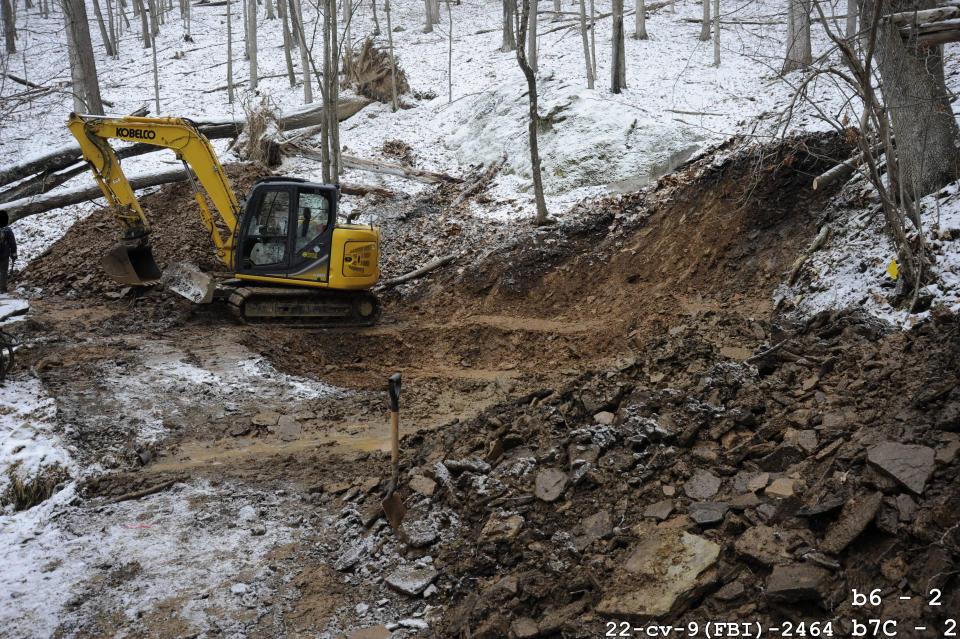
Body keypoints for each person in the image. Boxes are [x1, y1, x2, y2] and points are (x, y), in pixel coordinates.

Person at [0, 212, 16, 294]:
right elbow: (12, 243)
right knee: (3, 271)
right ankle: (2, 289)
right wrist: (13, 253)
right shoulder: (8, 230)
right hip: (4, 255)